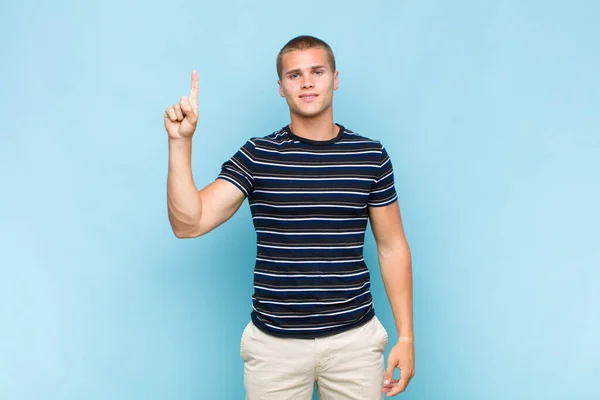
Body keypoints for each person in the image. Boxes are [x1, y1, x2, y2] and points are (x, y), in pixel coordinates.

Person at [164, 35, 415, 399]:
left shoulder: (369, 156)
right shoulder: (258, 155)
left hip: (354, 344)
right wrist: (180, 143)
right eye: (295, 75)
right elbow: (189, 223)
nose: (307, 82)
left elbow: (392, 246)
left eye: (317, 71)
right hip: (274, 348)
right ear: (281, 87)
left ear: (335, 77)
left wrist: (405, 336)